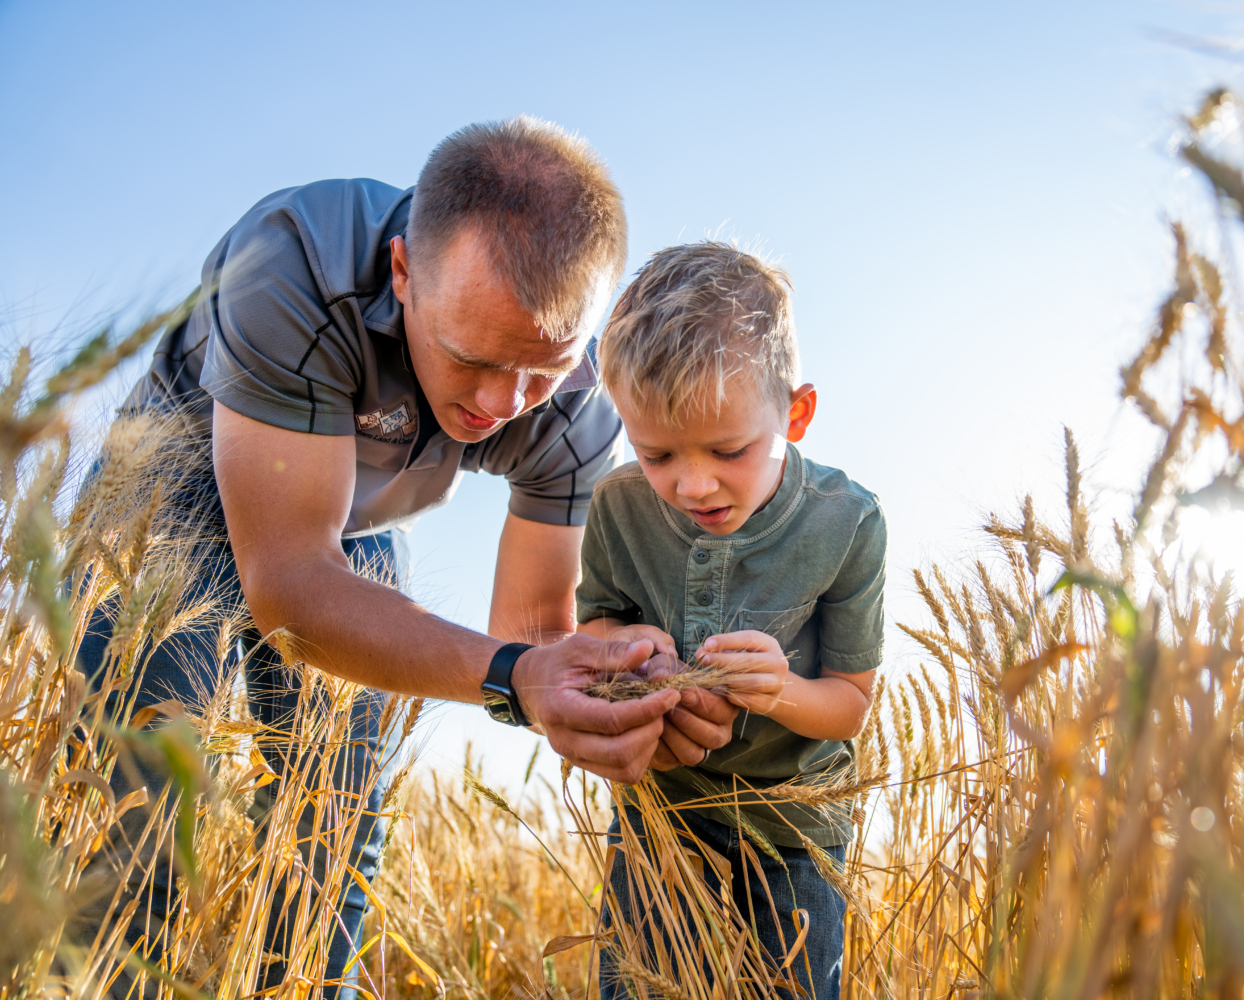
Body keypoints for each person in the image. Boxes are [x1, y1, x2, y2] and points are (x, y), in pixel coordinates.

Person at [77, 119, 736, 999]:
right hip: (169, 488)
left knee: (339, 827)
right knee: (147, 793)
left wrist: (618, 690)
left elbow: (533, 634)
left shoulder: (579, 400)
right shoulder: (296, 263)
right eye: (472, 359)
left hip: (349, 522)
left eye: (541, 370)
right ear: (402, 274)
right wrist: (517, 675)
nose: (504, 406)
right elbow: (293, 587)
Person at [576, 242, 887, 1000]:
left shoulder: (849, 523)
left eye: (728, 449)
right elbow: (589, 637)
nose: (691, 482)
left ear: (798, 413)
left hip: (795, 837)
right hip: (662, 820)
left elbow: (847, 704)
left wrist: (777, 691)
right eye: (655, 454)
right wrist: (624, 651)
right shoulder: (618, 509)